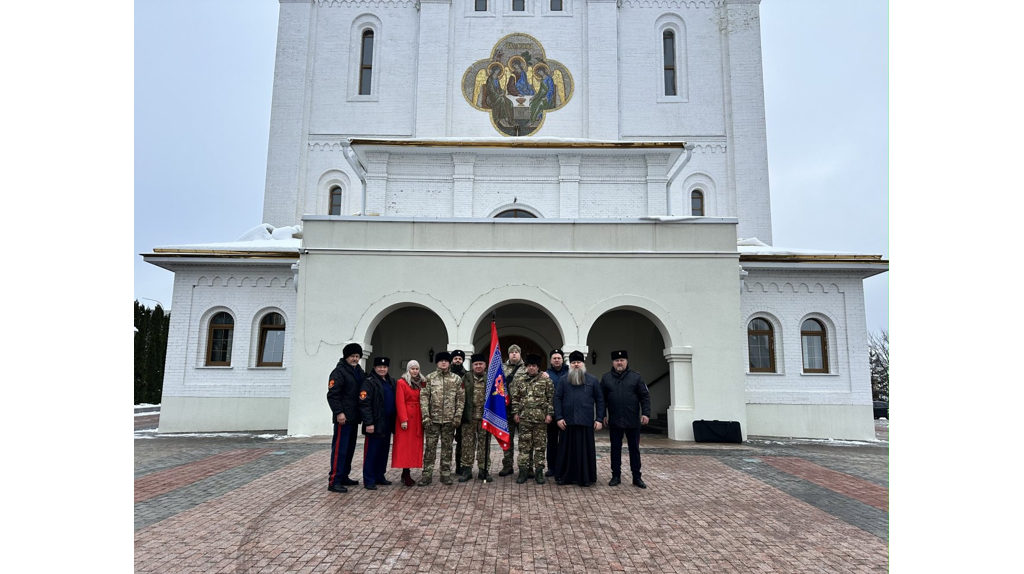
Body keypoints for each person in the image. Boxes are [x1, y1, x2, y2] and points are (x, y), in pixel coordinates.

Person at [601, 350, 652, 488]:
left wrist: (646, 413)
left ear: (626, 361)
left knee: (634, 449)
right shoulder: (606, 378)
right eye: (617, 360)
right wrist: (602, 415)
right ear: (613, 362)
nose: (619, 363)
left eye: (622, 360)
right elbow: (602, 400)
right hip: (615, 420)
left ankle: (637, 477)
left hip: (633, 420)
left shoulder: (636, 377)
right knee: (615, 449)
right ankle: (615, 475)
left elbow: (644, 397)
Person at [554, 351, 604, 487]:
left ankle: (585, 477)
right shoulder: (564, 380)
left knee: (584, 451)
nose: (576, 365)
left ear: (583, 364)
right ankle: (565, 477)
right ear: (570, 364)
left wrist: (599, 419)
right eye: (573, 362)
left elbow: (600, 400)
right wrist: (558, 417)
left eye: (578, 362)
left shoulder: (592, 380)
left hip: (586, 421)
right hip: (567, 422)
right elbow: (557, 399)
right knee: (567, 451)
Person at [419, 352, 465, 486]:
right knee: (430, 448)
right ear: (437, 363)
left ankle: (445, 474)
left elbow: (461, 399)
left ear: (449, 362)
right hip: (432, 420)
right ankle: (427, 474)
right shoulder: (429, 378)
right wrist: (425, 416)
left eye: (446, 361)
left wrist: (457, 416)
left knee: (447, 448)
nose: (443, 363)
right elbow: (423, 398)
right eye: (441, 361)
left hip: (449, 421)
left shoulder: (456, 379)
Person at [325, 343, 364, 493]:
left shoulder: (358, 371)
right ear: (346, 357)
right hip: (343, 418)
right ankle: (334, 480)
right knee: (340, 450)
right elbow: (333, 395)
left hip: (354, 417)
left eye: (357, 356)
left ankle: (344, 476)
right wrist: (339, 413)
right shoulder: (338, 372)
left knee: (349, 449)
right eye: (352, 356)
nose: (355, 359)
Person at [510, 353, 554, 484]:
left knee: (540, 447)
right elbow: (516, 398)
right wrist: (515, 413)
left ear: (538, 367)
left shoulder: (546, 380)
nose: (531, 368)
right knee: (524, 447)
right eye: (529, 366)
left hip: (540, 420)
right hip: (524, 419)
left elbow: (551, 398)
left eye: (533, 366)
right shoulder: (520, 380)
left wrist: (549, 414)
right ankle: (523, 471)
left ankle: (539, 472)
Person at [359, 357, 396, 490]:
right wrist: (369, 422)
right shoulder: (369, 382)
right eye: (379, 367)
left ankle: (379, 476)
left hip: (387, 422)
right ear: (374, 368)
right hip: (374, 423)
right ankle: (369, 480)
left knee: (383, 451)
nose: (382, 369)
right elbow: (364, 404)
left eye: (385, 367)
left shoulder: (391, 381)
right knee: (372, 452)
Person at [458, 353, 493, 482]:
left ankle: (484, 470)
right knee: (467, 445)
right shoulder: (466, 378)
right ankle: (467, 470)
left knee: (484, 446)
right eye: (476, 364)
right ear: (472, 365)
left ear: (485, 365)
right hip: (469, 417)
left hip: (485, 418)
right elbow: (460, 396)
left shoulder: (490, 378)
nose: (478, 366)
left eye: (481, 364)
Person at [392, 360, 425, 487]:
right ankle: (405, 473)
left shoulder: (422, 383)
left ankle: (408, 471)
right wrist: (403, 419)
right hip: (406, 418)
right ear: (408, 370)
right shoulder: (402, 382)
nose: (415, 371)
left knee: (414, 446)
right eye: (412, 369)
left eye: (417, 368)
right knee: (405, 446)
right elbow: (400, 402)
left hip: (418, 417)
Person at [499, 344, 527, 477]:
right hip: (506, 409)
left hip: (522, 410)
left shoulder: (527, 369)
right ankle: (507, 466)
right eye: (512, 352)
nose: (514, 354)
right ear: (508, 354)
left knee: (524, 440)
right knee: (507, 439)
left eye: (516, 352)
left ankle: (524, 466)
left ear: (520, 354)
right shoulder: (502, 369)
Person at [544, 349, 568, 477]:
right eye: (554, 358)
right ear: (551, 360)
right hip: (552, 413)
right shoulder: (546, 374)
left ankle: (564, 466)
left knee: (566, 441)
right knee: (552, 441)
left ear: (562, 359)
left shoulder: (570, 373)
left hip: (566, 413)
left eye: (559, 358)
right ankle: (552, 467)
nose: (557, 360)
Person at [450, 349, 467, 474]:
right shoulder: (447, 373)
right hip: (447, 413)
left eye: (460, 359)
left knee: (461, 441)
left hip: (462, 413)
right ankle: (445, 467)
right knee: (447, 442)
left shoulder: (467, 375)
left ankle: (459, 466)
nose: (457, 360)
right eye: (455, 358)